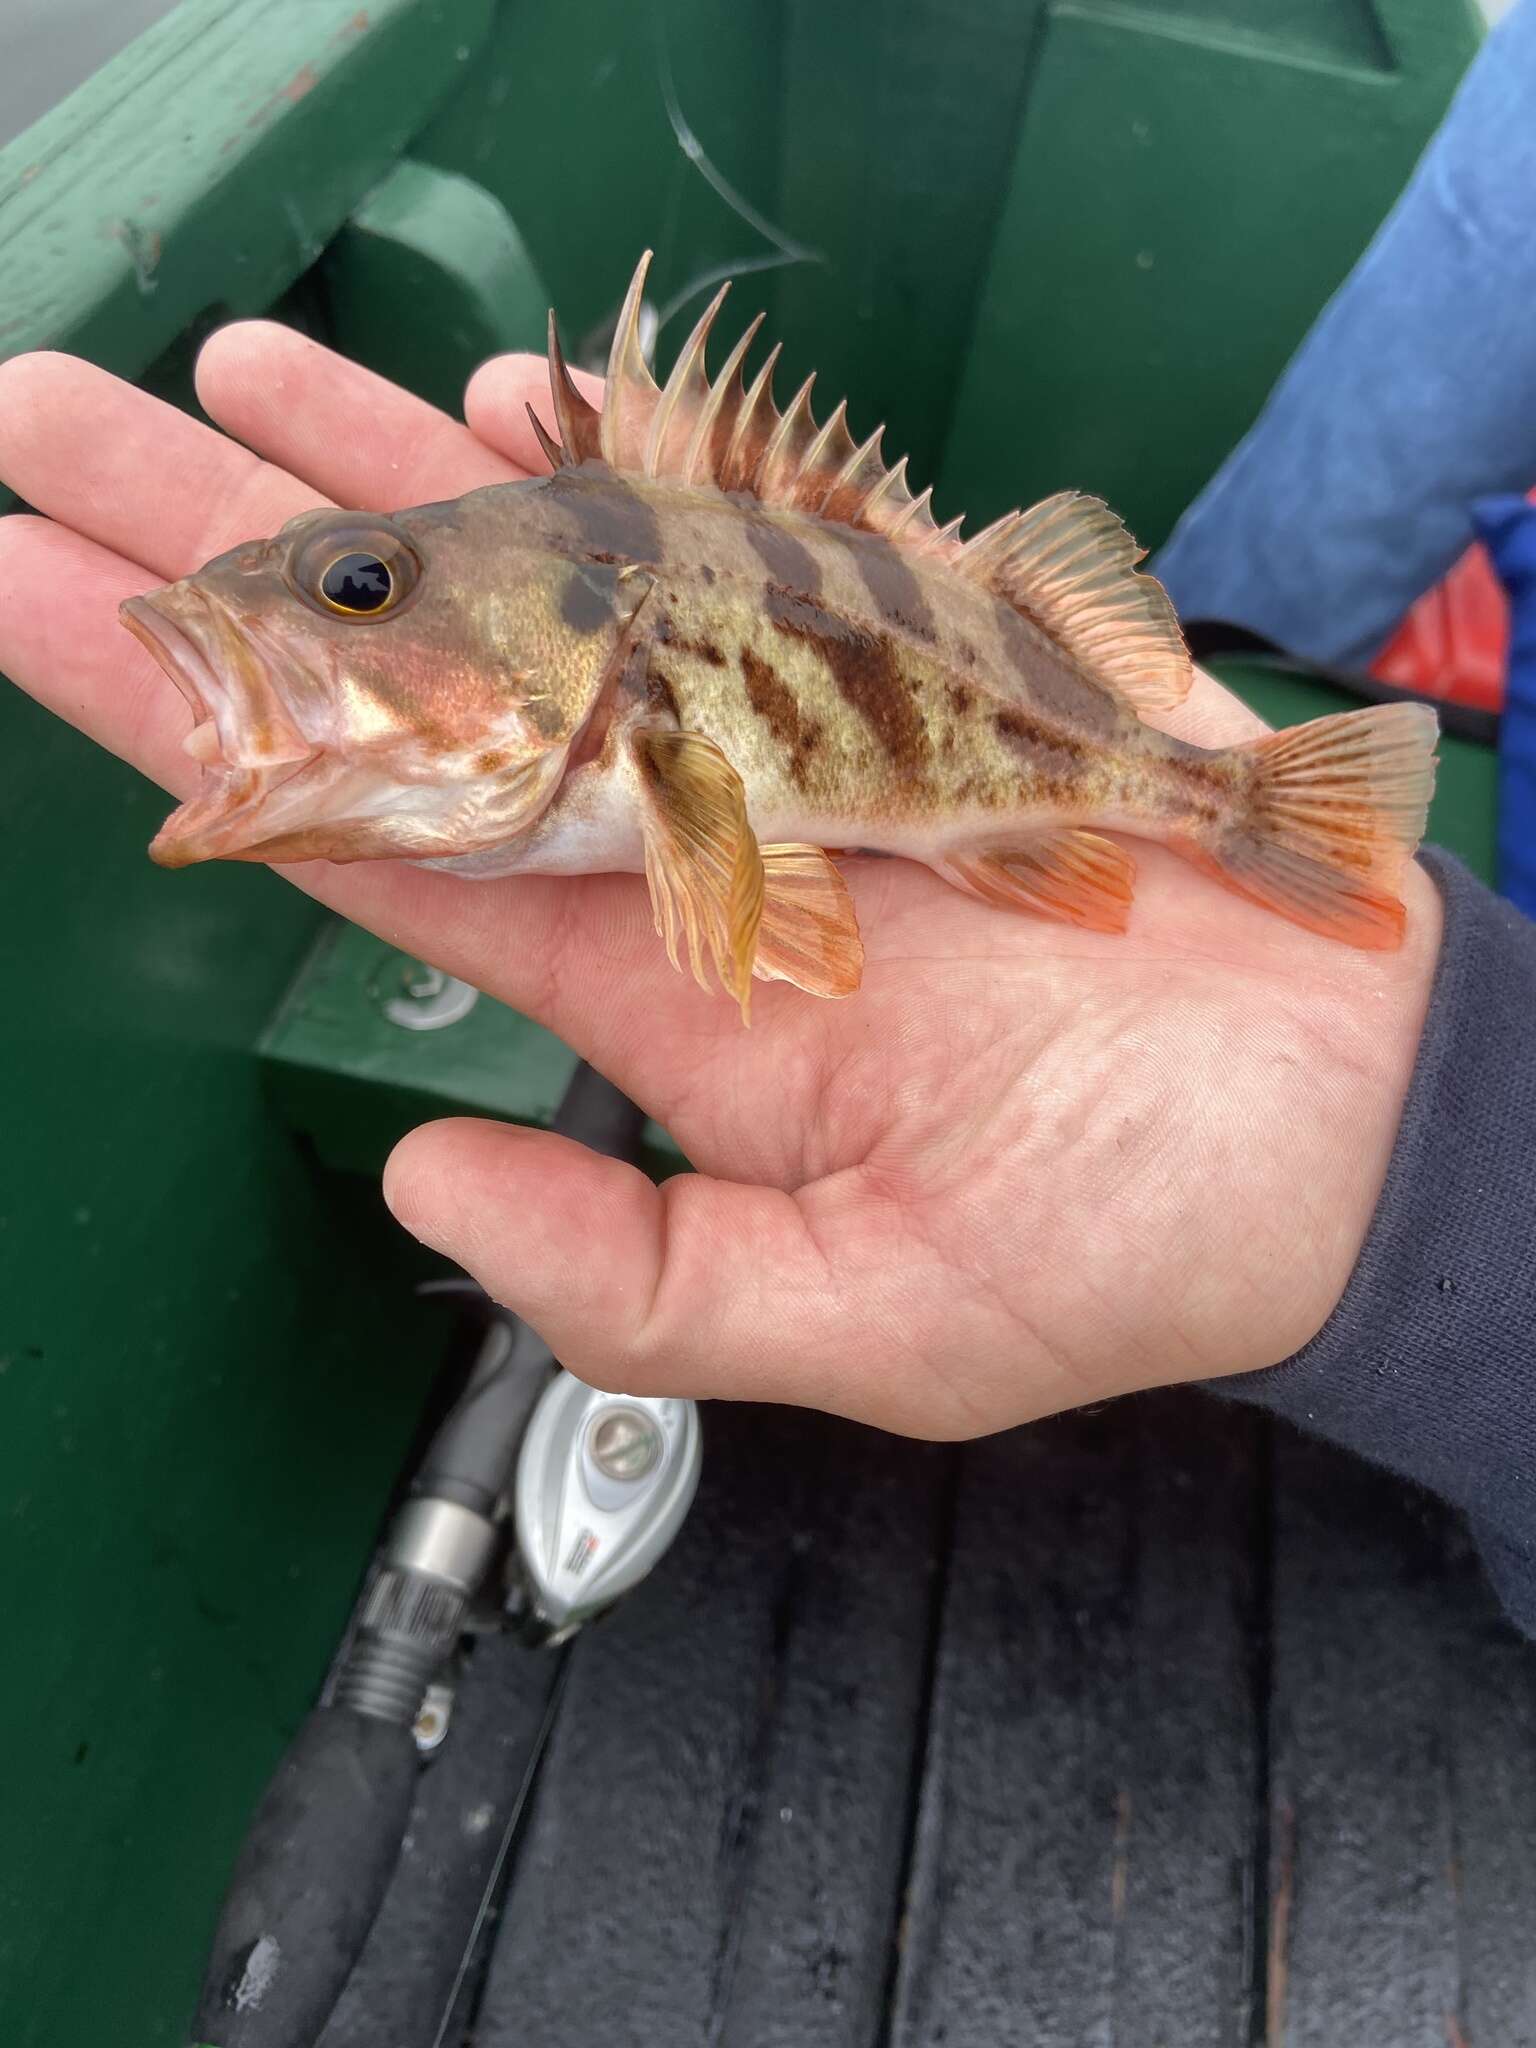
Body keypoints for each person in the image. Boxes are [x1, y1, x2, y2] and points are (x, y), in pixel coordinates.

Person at [0, 11, 1532, 1628]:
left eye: (363, 588)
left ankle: (1235, 799)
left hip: (1061, 776)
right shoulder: (583, 625)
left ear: (591, 622)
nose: (348, 601)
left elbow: (732, 874)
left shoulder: (636, 658)